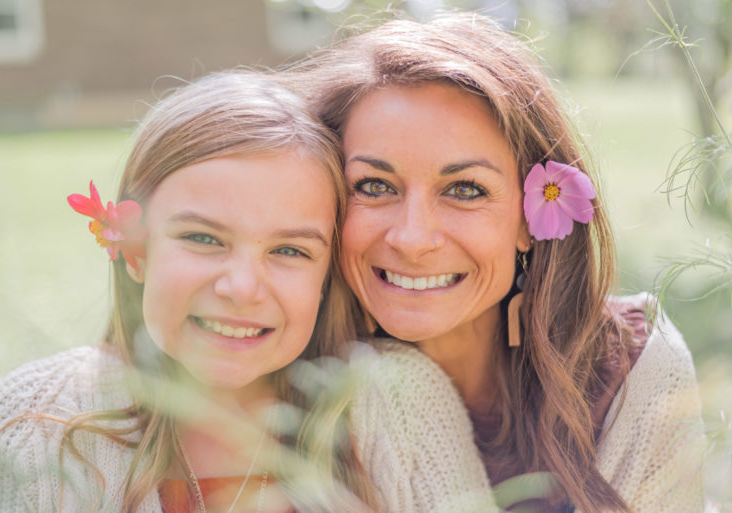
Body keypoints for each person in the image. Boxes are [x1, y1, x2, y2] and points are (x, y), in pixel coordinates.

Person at [287, 11, 708, 513]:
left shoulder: (635, 369)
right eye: (374, 186)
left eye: (465, 190)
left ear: (532, 219)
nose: (412, 239)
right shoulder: (292, 391)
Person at [0, 71, 382, 513]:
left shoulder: (390, 415)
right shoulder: (39, 421)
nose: (241, 289)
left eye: (288, 250)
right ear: (135, 250)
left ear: (326, 275)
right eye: (204, 239)